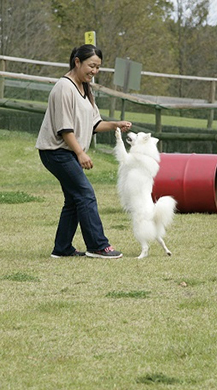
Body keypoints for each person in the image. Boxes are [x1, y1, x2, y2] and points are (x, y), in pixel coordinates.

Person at [36, 44, 132, 259]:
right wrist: (80, 153)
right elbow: (64, 129)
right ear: (77, 62)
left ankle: (62, 248)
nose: (94, 71)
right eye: (91, 66)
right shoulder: (64, 87)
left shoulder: (86, 89)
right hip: (56, 151)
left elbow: (95, 124)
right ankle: (98, 246)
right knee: (85, 194)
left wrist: (116, 124)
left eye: (98, 68)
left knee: (74, 198)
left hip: (68, 151)